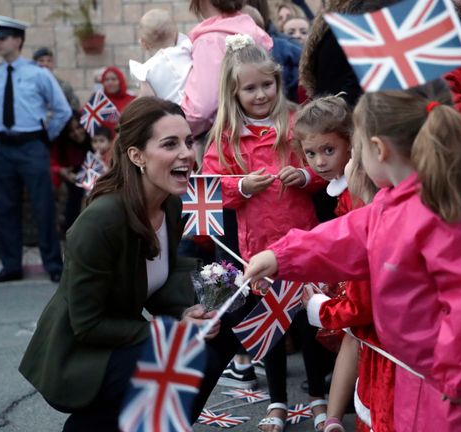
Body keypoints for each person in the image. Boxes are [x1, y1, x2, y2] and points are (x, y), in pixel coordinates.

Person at [245, 82, 461, 432]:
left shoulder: (444, 211)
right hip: (423, 375)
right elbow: (347, 236)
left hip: (451, 389)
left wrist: (457, 376)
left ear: (377, 149)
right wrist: (281, 256)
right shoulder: (393, 202)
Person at [19, 97, 244, 430]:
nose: (186, 153)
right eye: (170, 144)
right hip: (81, 353)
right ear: (137, 155)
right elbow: (88, 324)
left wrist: (190, 312)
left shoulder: (169, 204)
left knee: (225, 327)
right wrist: (172, 333)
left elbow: (152, 280)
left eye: (187, 141)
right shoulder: (100, 221)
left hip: (123, 338)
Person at [201, 38, 334, 432]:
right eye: (250, 88)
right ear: (234, 92)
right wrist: (241, 186)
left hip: (303, 241)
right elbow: (208, 187)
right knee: (270, 326)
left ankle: (317, 396)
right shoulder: (225, 134)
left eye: (267, 85)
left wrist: (306, 176)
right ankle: (276, 400)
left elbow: (321, 168)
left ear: (278, 83)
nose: (260, 95)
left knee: (309, 323)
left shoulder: (294, 123)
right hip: (257, 248)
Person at [294, 95, 391, 432]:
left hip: (368, 276)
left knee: (356, 338)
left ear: (351, 143)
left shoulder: (360, 184)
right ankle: (335, 416)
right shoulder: (340, 184)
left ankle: (336, 416)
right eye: (311, 153)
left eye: (328, 150)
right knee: (353, 341)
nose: (319, 162)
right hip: (354, 274)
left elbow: (355, 236)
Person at [0, 15, 71, 283]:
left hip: (32, 146)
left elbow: (62, 109)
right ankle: (11, 265)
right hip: (3, 147)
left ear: (18, 40)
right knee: (6, 207)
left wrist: (45, 138)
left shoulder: (38, 74)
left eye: (3, 38)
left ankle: (53, 263)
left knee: (43, 205)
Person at [182, 0, 272, 137]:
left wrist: (177, 126)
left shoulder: (210, 39)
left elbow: (201, 109)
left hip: (221, 137)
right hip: (258, 130)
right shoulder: (250, 29)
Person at [130, 9, 192, 104]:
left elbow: (146, 99)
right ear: (176, 35)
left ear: (144, 44)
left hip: (172, 114)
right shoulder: (185, 48)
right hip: (193, 106)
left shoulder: (147, 70)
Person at [49, 112, 91, 234]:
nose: (76, 133)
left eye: (78, 128)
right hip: (71, 179)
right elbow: (52, 164)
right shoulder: (62, 144)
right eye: (71, 131)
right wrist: (61, 171)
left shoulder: (93, 139)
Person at [33, 46, 80, 111]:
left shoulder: (64, 86)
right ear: (34, 64)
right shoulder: (29, 85)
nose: (46, 64)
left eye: (49, 61)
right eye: (41, 61)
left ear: (53, 64)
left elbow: (74, 108)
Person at [98, 66, 135, 134]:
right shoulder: (98, 101)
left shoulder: (132, 100)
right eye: (106, 80)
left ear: (120, 81)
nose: (110, 83)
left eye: (113, 79)